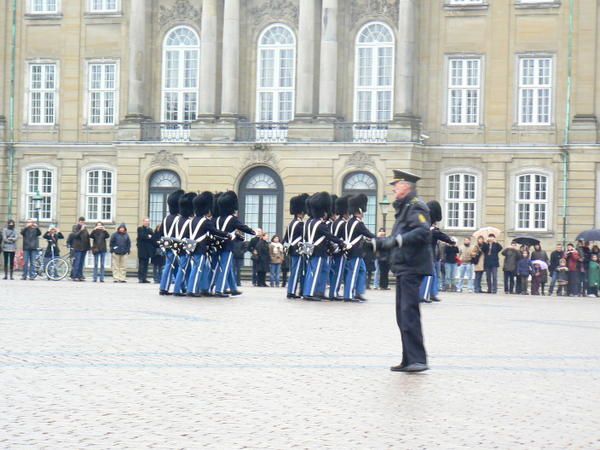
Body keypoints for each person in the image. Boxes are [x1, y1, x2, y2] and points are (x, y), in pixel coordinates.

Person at [373, 170, 432, 373]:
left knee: (409, 313)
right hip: (404, 266)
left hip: (412, 266)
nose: (394, 188)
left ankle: (418, 359)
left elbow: (423, 231)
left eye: (396, 185)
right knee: (402, 314)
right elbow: (397, 237)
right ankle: (409, 358)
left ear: (406, 186)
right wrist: (380, 245)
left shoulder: (416, 206)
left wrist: (399, 240)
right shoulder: (406, 207)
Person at [185, 191, 230, 297]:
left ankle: (193, 288)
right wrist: (227, 234)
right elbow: (215, 231)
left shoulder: (192, 220)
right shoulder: (205, 221)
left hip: (191, 247)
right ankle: (192, 290)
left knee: (195, 269)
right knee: (198, 269)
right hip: (200, 248)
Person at [301, 193, 344, 301]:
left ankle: (319, 291)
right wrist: (341, 242)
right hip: (318, 250)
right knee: (314, 272)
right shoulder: (321, 224)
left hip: (310, 248)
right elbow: (330, 236)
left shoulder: (309, 222)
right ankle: (310, 293)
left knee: (324, 270)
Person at [213, 191, 256, 297]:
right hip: (227, 246)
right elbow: (242, 227)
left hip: (217, 245)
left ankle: (233, 288)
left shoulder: (217, 219)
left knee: (228, 267)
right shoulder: (232, 219)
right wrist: (253, 232)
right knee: (225, 267)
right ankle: (220, 289)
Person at [343, 194, 376, 302]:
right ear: (360, 210)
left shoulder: (350, 222)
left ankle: (358, 292)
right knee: (353, 273)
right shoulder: (358, 223)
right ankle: (349, 295)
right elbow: (368, 233)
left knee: (362, 270)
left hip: (353, 250)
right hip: (355, 251)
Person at [419, 200, 452, 302]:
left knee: (434, 275)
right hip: (427, 254)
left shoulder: (427, 225)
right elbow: (440, 235)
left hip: (433, 254)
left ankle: (432, 293)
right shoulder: (429, 228)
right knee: (429, 275)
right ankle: (423, 295)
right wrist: (451, 240)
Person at [158, 189, 184, 295]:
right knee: (171, 266)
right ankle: (163, 288)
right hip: (175, 244)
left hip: (167, 243)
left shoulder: (166, 218)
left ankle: (182, 286)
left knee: (173, 266)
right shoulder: (178, 218)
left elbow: (160, 232)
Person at [284, 194, 309, 299]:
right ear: (302, 212)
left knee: (295, 271)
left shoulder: (291, 224)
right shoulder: (300, 224)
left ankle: (293, 290)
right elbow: (305, 238)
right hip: (297, 251)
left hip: (291, 250)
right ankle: (291, 292)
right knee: (296, 272)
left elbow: (285, 239)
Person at [172, 193, 197, 296]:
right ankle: (176, 289)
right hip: (185, 247)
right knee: (182, 269)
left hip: (177, 246)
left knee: (185, 269)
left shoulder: (177, 220)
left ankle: (185, 287)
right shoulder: (189, 222)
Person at [327, 195, 348, 300]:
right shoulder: (343, 223)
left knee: (334, 272)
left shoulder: (335, 222)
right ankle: (334, 292)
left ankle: (333, 292)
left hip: (333, 249)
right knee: (338, 272)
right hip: (340, 249)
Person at [71, 217, 90, 282]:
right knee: (77, 262)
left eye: (83, 222)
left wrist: (88, 247)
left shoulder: (85, 229)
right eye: (81, 222)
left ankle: (80, 275)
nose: (82, 223)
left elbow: (87, 238)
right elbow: (75, 235)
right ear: (79, 222)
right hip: (78, 248)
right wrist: (81, 230)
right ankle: (75, 276)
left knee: (81, 263)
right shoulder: (75, 227)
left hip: (84, 248)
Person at [136, 218, 155, 284]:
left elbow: (153, 237)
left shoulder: (150, 229)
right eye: (146, 221)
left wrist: (149, 237)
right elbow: (142, 236)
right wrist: (148, 236)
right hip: (142, 249)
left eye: (148, 221)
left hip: (148, 250)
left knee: (146, 264)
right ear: (143, 222)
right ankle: (140, 278)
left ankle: (144, 278)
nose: (147, 222)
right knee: (141, 264)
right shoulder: (140, 229)